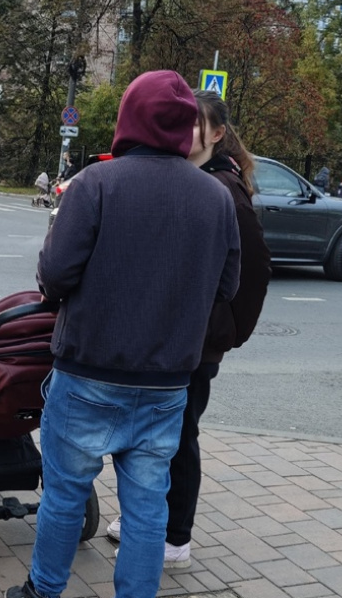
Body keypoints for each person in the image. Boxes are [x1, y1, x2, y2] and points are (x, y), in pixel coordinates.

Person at [10, 71, 240, 598]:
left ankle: (43, 591)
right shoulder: (215, 197)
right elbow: (227, 285)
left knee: (65, 495)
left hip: (89, 372)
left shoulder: (96, 183)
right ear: (186, 127)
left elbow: (56, 275)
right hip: (167, 383)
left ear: (129, 118)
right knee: (146, 507)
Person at [105, 90, 271, 570]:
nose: (186, 130)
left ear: (217, 135)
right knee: (158, 436)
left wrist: (223, 331)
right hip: (177, 337)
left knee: (177, 438)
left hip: (194, 345)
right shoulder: (199, 180)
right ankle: (150, 521)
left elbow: (253, 272)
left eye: (196, 123)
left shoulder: (222, 189)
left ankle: (175, 537)